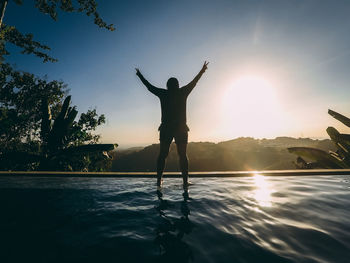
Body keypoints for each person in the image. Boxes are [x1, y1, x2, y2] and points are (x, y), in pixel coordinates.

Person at [135, 61, 209, 189]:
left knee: (163, 154)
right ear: (178, 85)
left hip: (166, 128)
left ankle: (159, 181)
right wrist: (202, 71)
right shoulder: (183, 92)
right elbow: (194, 82)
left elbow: (149, 87)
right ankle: (185, 182)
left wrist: (140, 76)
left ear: (167, 86)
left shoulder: (164, 93)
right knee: (182, 155)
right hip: (180, 128)